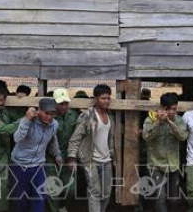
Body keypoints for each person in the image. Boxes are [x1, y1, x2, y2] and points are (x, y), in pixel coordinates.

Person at [67, 84, 116, 212]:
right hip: (90, 160)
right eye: (103, 98)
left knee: (106, 194)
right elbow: (75, 138)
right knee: (95, 192)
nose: (106, 101)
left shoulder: (110, 116)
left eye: (108, 98)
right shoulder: (87, 116)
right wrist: (72, 157)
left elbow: (110, 139)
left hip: (106, 161)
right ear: (96, 99)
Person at [10, 98, 62, 212]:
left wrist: (57, 155)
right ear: (39, 110)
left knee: (39, 199)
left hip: (39, 166)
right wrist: (27, 120)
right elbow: (16, 138)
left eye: (52, 114)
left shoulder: (54, 125)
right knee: (20, 201)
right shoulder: (28, 121)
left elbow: (53, 140)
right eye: (46, 113)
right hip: (19, 165)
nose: (49, 117)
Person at [141, 92, 188, 212]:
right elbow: (146, 136)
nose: (171, 112)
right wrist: (158, 123)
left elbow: (182, 136)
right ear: (161, 107)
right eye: (168, 109)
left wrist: (170, 123)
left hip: (173, 164)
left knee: (173, 199)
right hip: (155, 165)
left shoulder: (179, 120)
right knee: (160, 198)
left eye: (174, 109)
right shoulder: (150, 119)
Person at [47, 88, 80, 212]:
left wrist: (73, 157)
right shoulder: (48, 116)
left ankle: (62, 205)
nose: (64, 106)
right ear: (54, 103)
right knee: (52, 188)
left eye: (66, 103)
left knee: (70, 188)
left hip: (68, 156)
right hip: (50, 157)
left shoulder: (74, 115)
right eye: (61, 103)